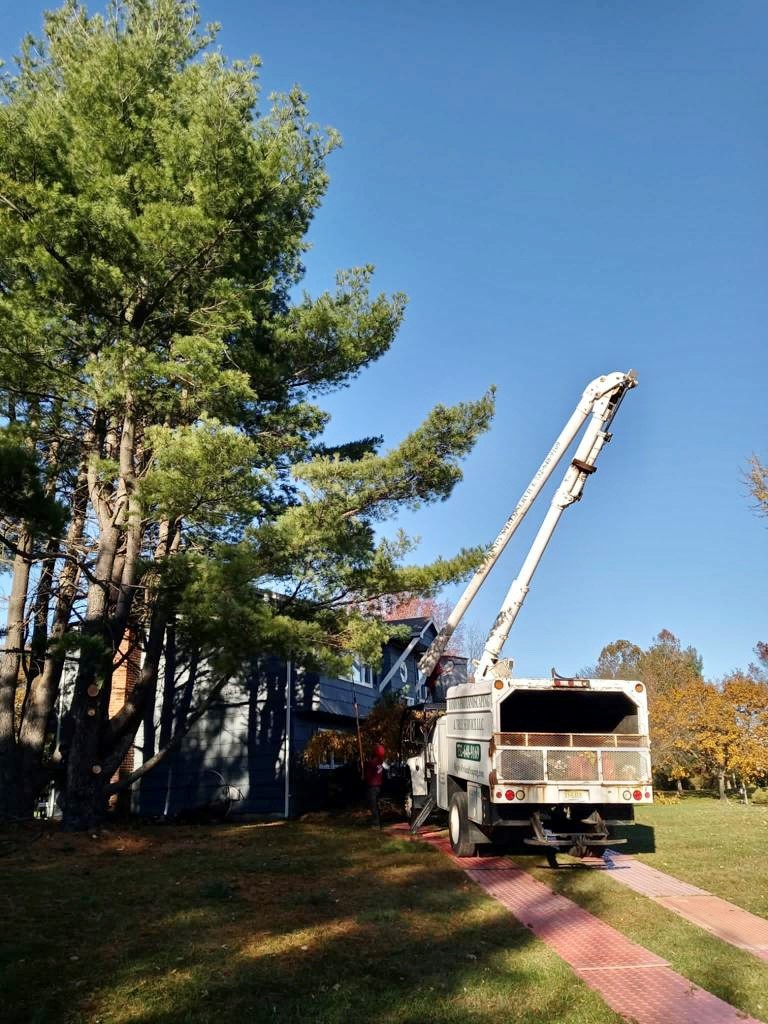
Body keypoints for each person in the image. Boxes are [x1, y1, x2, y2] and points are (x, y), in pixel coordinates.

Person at [364, 743, 386, 828]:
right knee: (375, 805)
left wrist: (364, 775)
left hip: (372, 786)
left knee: (373, 806)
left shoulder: (371, 763)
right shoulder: (381, 763)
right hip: (378, 786)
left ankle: (376, 824)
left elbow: (368, 776)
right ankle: (377, 822)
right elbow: (386, 768)